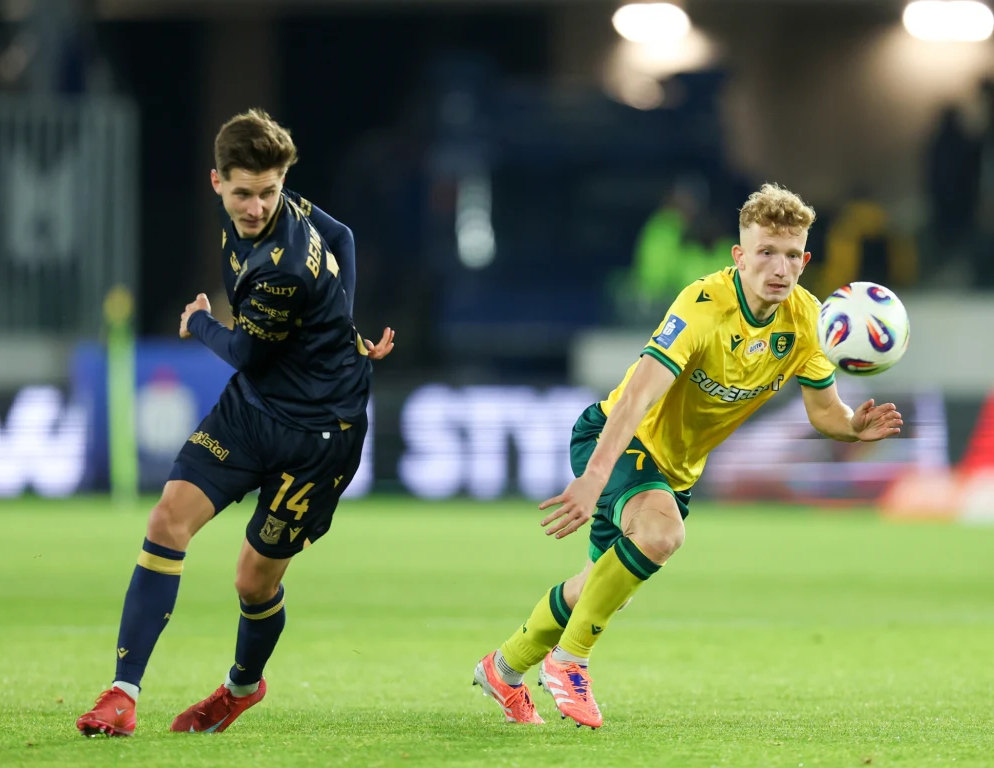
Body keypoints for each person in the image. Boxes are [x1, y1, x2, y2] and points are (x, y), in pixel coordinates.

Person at [472, 183, 902, 728]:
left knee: (598, 589)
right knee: (661, 535)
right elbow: (635, 398)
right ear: (739, 256)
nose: (779, 267)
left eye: (792, 255)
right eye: (766, 252)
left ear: (806, 259)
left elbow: (825, 412)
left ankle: (502, 668)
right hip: (619, 437)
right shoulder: (703, 307)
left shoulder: (808, 323)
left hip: (674, 467)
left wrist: (852, 429)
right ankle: (568, 662)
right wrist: (594, 476)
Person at [76, 108, 395, 737]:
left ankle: (241, 688)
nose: (255, 207)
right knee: (167, 517)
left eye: (268, 193)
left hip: (318, 435)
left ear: (280, 183)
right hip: (253, 408)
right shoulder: (277, 206)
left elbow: (247, 351)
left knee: (252, 579)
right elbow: (347, 238)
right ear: (216, 182)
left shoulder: (283, 266)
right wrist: (345, 330)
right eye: (244, 192)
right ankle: (121, 693)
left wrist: (198, 323)